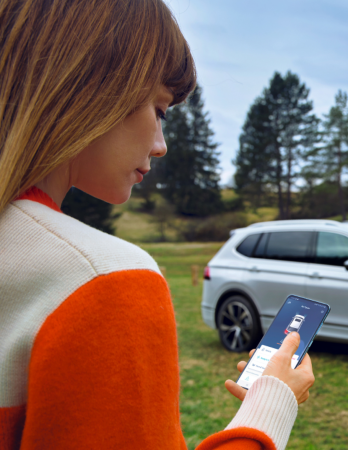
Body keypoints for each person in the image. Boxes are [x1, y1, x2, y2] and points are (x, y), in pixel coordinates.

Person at [0, 1, 314, 449]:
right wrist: (272, 404)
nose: (161, 145)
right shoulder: (103, 281)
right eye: (161, 110)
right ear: (90, 86)